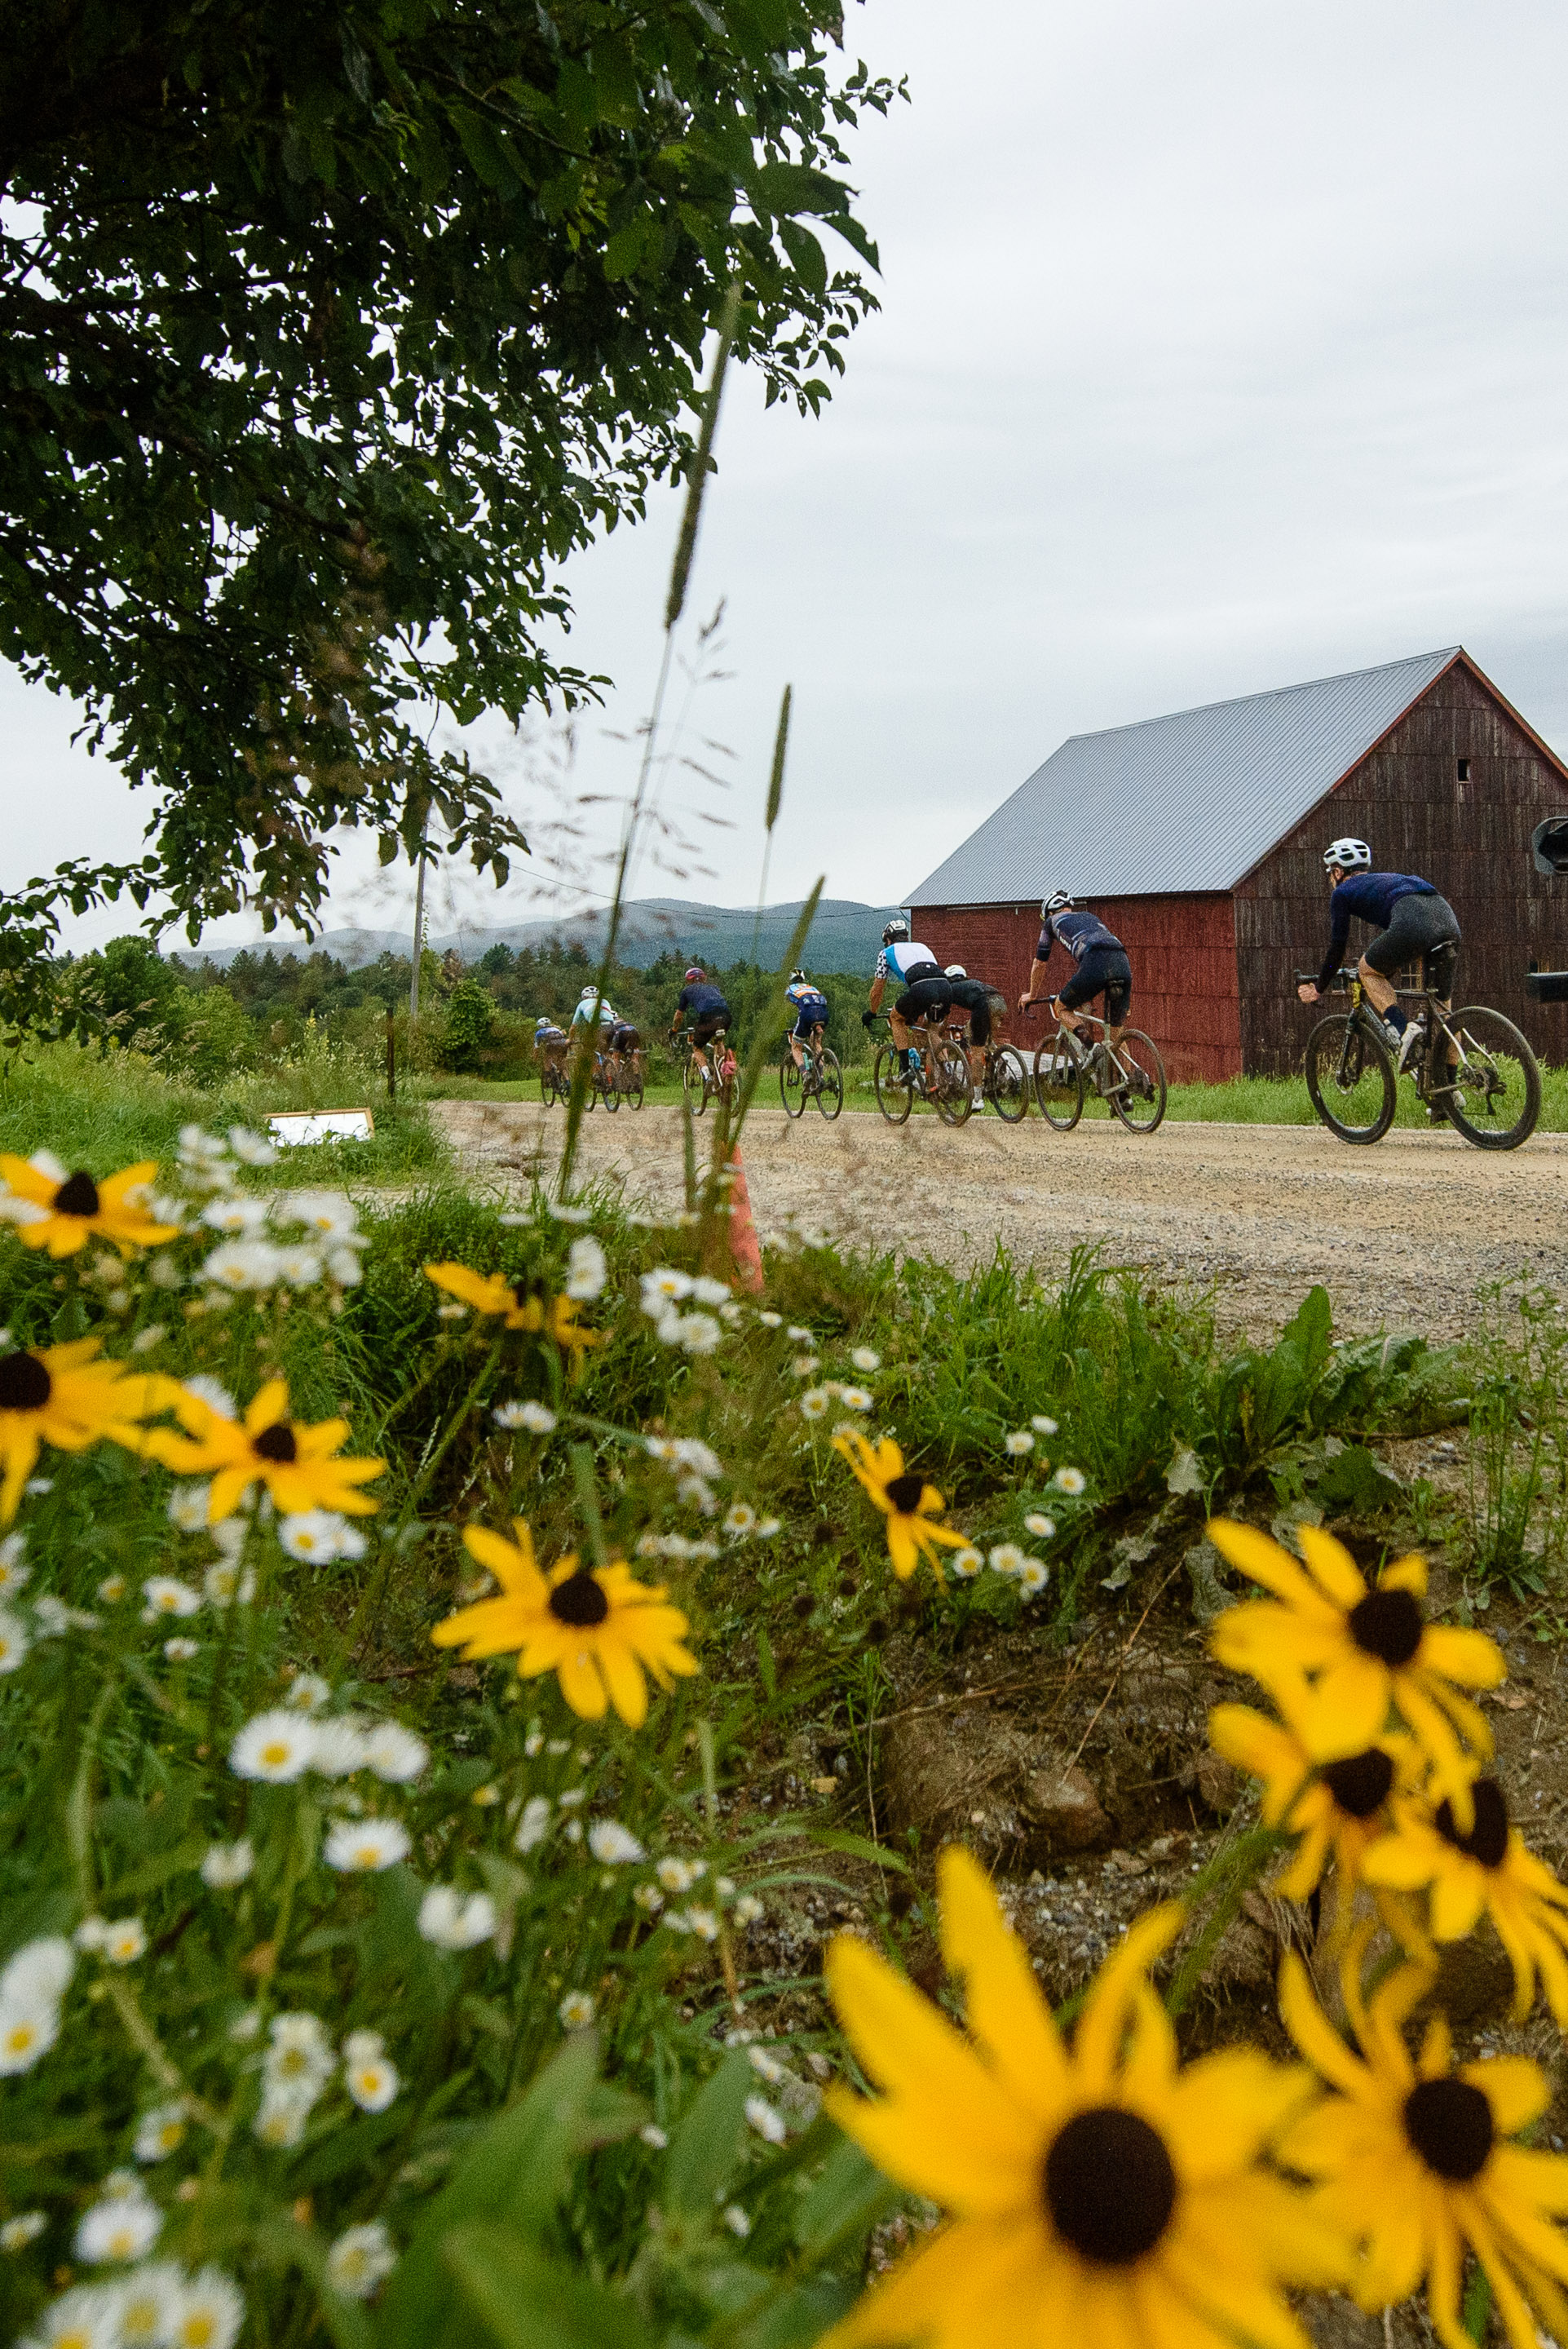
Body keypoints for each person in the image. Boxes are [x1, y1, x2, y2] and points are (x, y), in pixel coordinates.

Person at [1295, 838, 1461, 1096]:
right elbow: (1400, 941)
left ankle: (1404, 1029)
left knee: (1367, 969)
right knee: (1444, 1011)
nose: (1331, 879)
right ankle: (1449, 1089)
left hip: (1412, 922)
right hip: (1447, 921)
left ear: (1338, 872)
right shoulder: (1389, 880)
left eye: (1330, 873)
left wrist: (1319, 986)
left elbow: (1337, 949)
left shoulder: (1342, 893)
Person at [1019, 892, 1132, 1049]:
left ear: (1050, 913)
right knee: (1116, 1034)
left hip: (1095, 961)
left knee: (1061, 1007)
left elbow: (1039, 963)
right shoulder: (1089, 917)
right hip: (1122, 962)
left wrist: (1032, 995)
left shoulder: (1051, 922)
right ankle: (1132, 1073)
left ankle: (1091, 1048)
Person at [863, 918, 952, 1073]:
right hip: (945, 987)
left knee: (896, 1018)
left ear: (888, 940)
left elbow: (877, 989)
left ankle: (905, 1070)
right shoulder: (923, 947)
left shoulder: (886, 953)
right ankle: (947, 1071)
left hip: (922, 989)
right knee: (932, 1029)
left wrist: (872, 1012)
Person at [943, 965, 997, 1106]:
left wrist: (941, 1029)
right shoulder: (973, 983)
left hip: (982, 1006)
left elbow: (944, 1016)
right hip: (998, 1000)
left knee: (976, 1052)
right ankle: (1000, 1055)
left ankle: (978, 1099)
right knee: (983, 1034)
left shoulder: (949, 989)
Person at [670, 964, 732, 1084]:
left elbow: (679, 1015)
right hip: (726, 1016)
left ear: (688, 981)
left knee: (697, 1048)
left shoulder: (687, 991)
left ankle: (707, 1075)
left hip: (708, 1018)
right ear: (704, 979)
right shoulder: (714, 988)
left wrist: (674, 1029)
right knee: (718, 1041)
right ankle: (724, 1074)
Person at [784, 968, 829, 1073]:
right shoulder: (812, 988)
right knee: (816, 1043)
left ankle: (805, 1074)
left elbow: (781, 1009)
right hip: (823, 1013)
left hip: (807, 1013)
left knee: (796, 1047)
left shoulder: (789, 989)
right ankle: (821, 1076)